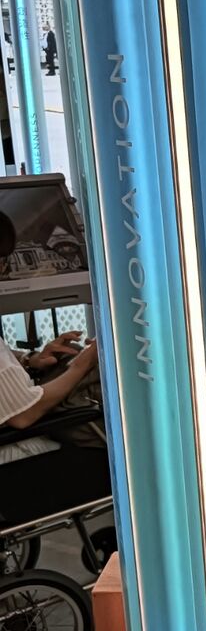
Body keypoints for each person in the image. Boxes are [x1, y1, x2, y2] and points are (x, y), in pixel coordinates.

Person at [0, 210, 109, 527]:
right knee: (115, 448)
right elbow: (25, 414)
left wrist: (30, 361)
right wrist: (85, 362)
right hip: (12, 460)